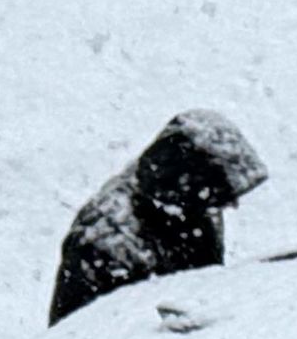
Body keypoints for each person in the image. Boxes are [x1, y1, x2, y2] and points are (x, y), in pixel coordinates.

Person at [48, 111, 267, 324]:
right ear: (188, 179)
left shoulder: (190, 201)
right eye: (220, 192)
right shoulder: (108, 239)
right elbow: (77, 334)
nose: (232, 204)